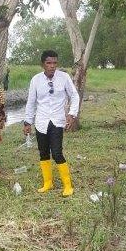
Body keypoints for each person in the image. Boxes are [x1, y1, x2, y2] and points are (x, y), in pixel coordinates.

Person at [23, 50, 80, 197]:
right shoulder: (35, 80)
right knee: (43, 153)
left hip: (57, 120)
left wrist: (72, 114)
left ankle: (68, 185)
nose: (52, 66)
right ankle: (48, 183)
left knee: (57, 152)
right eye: (49, 63)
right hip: (41, 121)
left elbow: (74, 96)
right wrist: (27, 122)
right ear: (43, 64)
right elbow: (31, 102)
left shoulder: (64, 77)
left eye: (55, 63)